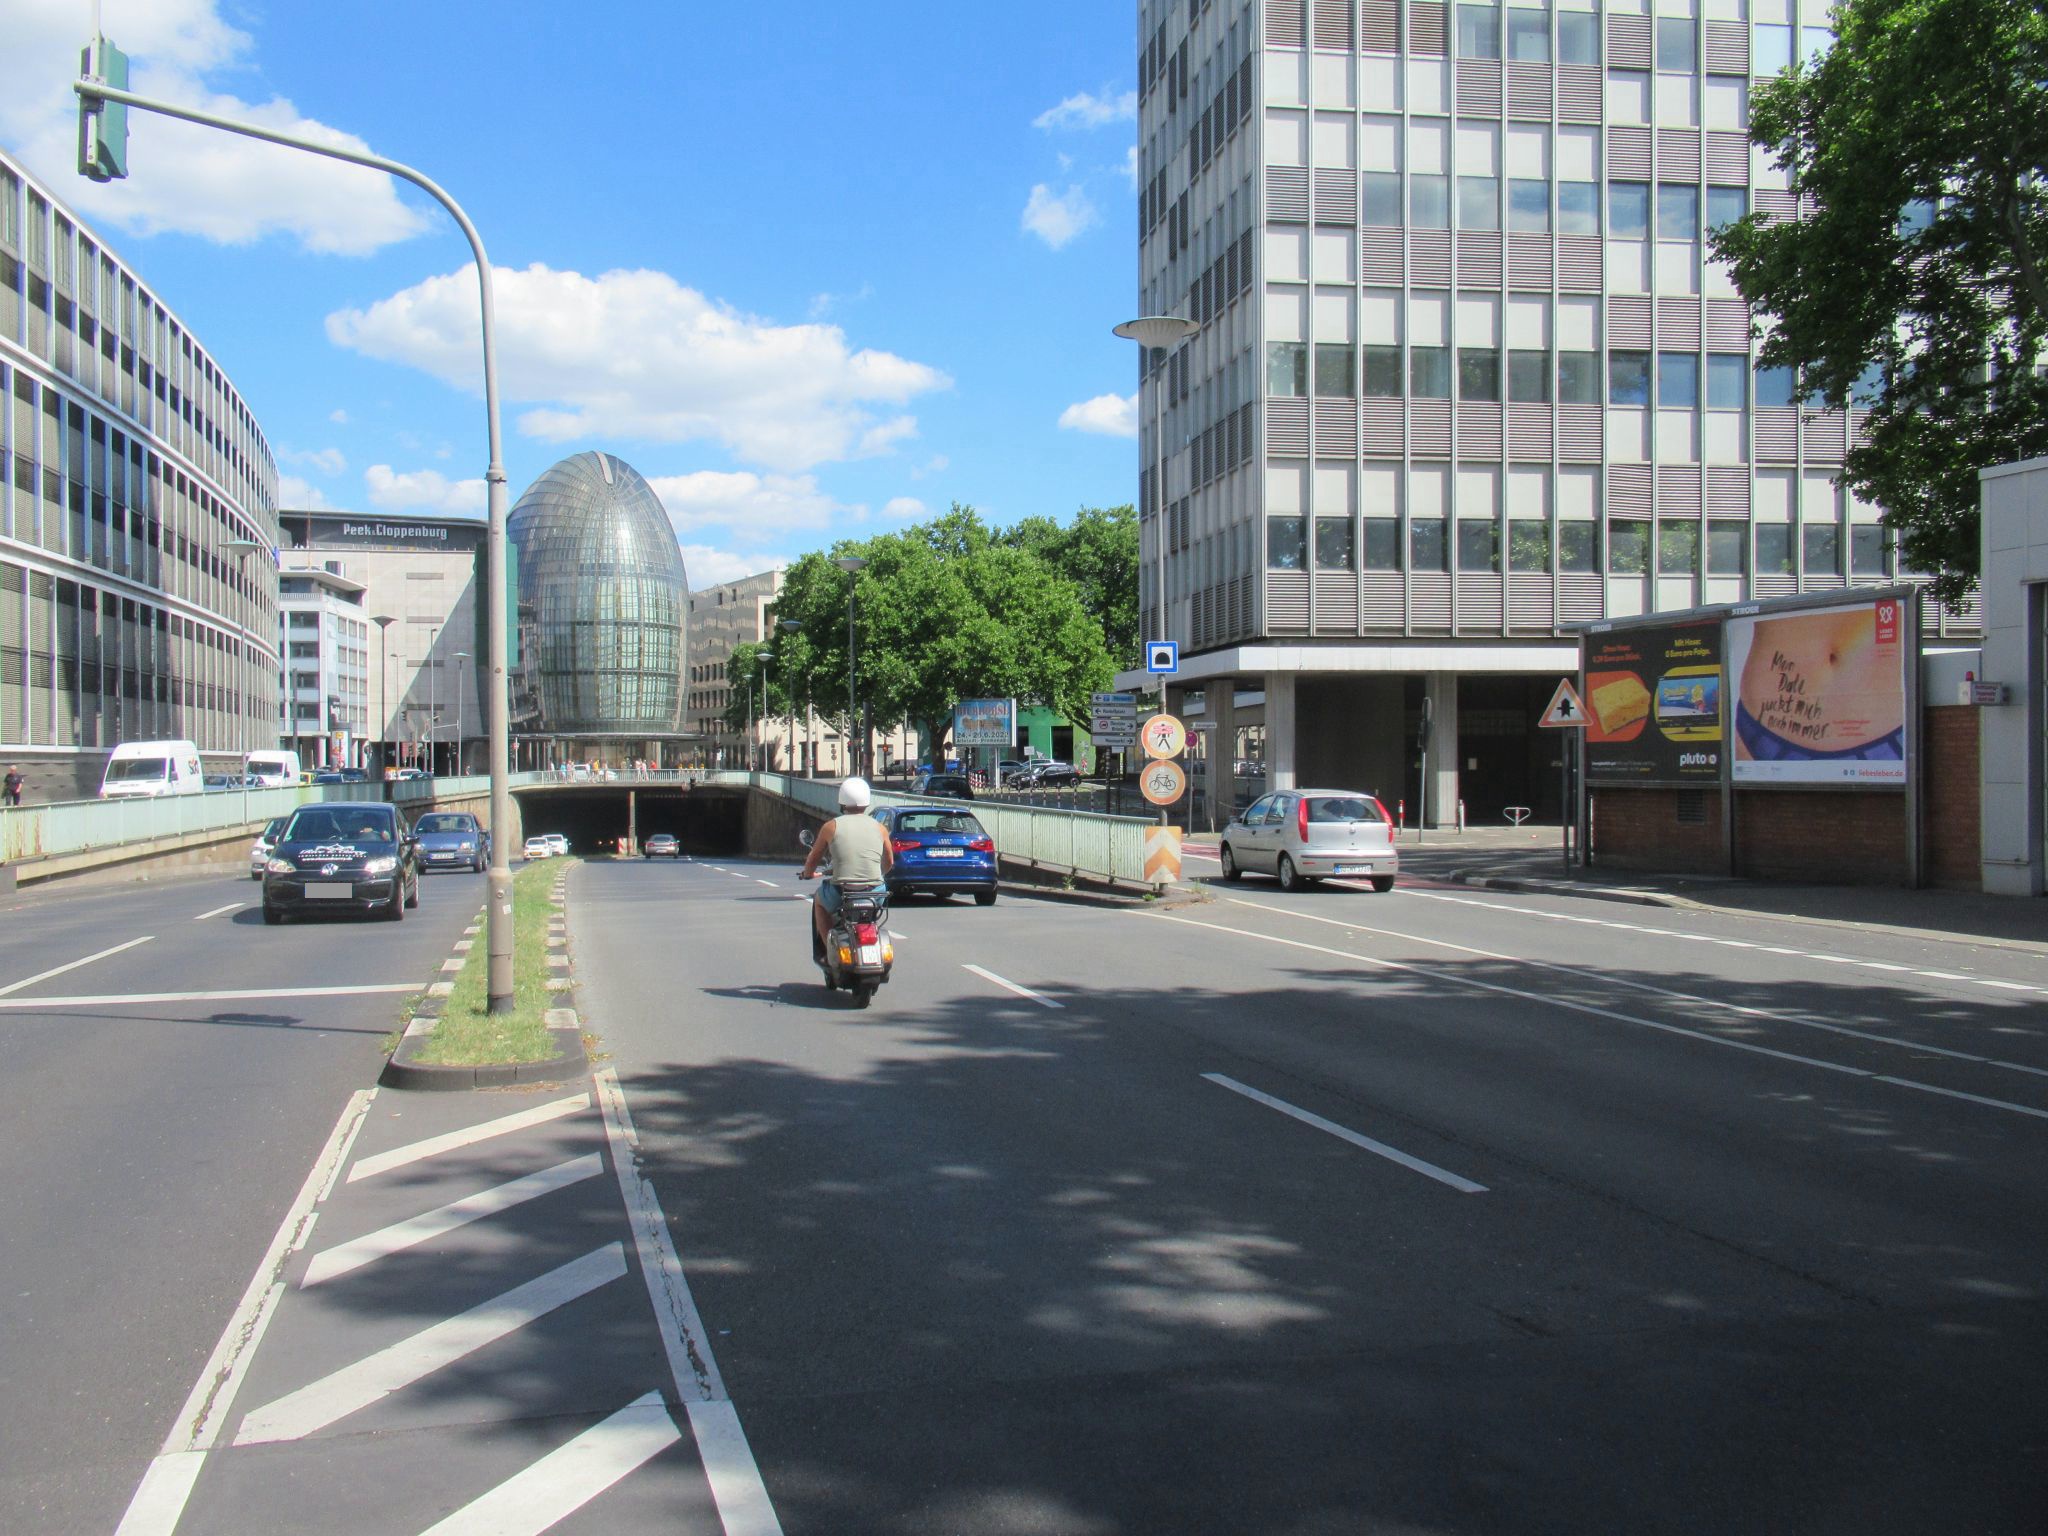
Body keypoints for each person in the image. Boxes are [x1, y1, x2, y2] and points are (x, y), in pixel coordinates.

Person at [797, 776, 892, 959]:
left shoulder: (831, 827)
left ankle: (829, 950)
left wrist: (808, 873)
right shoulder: (880, 828)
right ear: (866, 801)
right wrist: (879, 874)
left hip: (842, 892)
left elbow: (813, 858)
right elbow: (889, 861)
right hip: (875, 893)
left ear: (842, 801)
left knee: (819, 901)